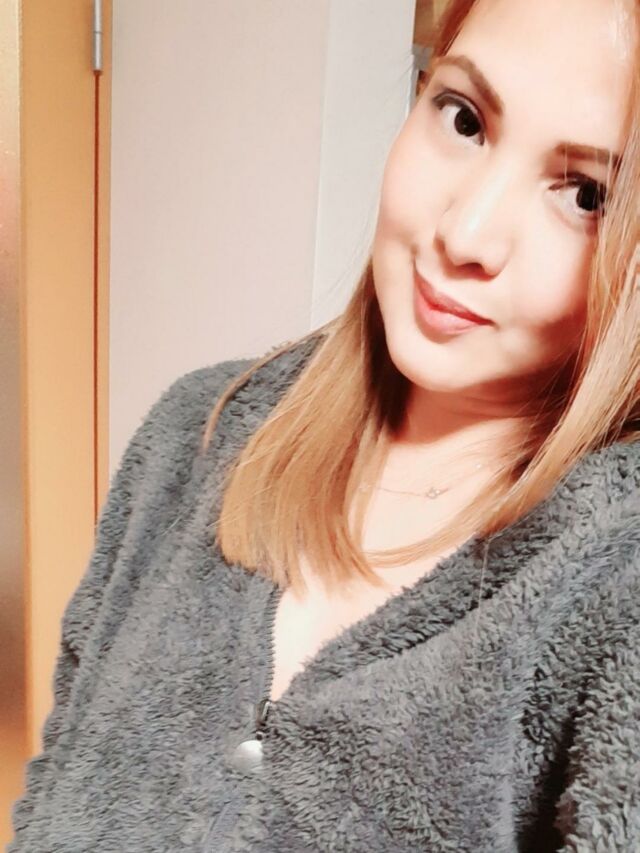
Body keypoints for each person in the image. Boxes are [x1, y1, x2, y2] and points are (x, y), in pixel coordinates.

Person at [9, 0, 639, 849]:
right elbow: (58, 775)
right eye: (463, 119)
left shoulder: (612, 577)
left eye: (587, 194)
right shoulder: (195, 432)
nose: (466, 233)